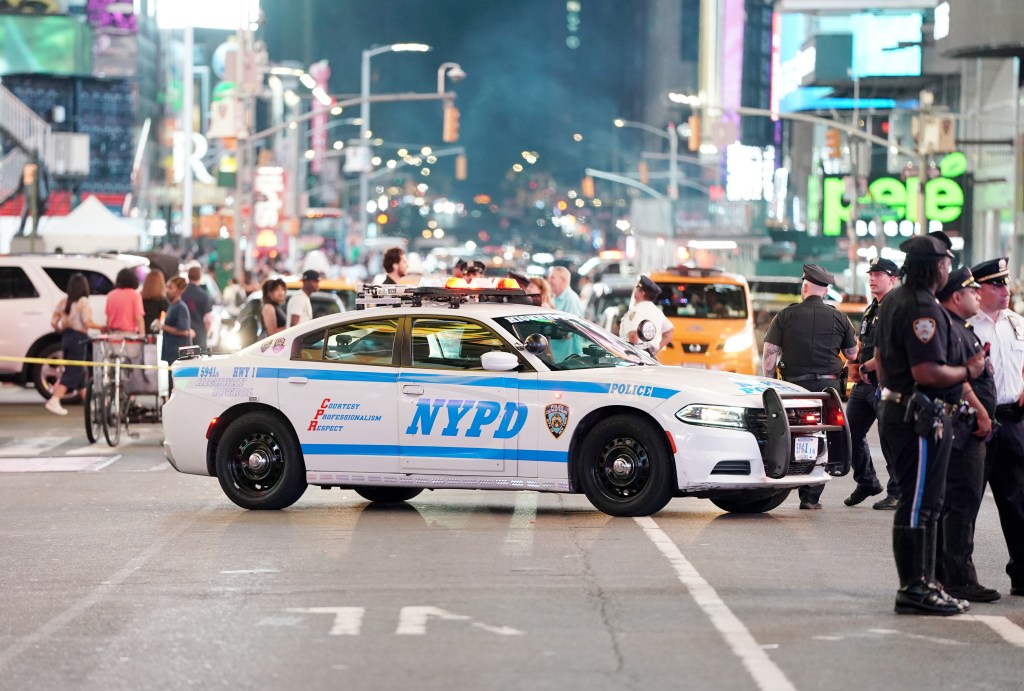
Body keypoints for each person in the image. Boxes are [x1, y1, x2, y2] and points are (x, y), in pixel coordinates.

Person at [876, 235, 984, 615]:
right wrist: (968, 369)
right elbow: (927, 370)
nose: (947, 270)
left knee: (924, 502)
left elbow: (880, 358)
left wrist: (896, 390)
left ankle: (925, 582)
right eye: (944, 264)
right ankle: (914, 588)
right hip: (917, 416)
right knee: (920, 503)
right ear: (933, 267)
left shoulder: (894, 301)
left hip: (903, 409)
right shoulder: (922, 307)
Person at [762, 264, 858, 510]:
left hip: (794, 386)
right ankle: (811, 496)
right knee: (822, 432)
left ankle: (782, 478)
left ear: (804, 287)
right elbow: (852, 352)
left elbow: (769, 354)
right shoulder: (840, 317)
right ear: (825, 292)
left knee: (791, 431)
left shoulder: (785, 315)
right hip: (828, 390)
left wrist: (770, 379)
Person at [935, 266, 999, 603]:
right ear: (957, 297)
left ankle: (947, 575)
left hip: (966, 428)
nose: (977, 296)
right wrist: (982, 411)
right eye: (972, 291)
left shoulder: (959, 328)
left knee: (959, 503)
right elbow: (956, 380)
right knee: (960, 504)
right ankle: (958, 577)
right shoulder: (951, 330)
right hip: (963, 428)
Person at [967, 257, 1024, 598]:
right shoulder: (967, 326)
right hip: (978, 421)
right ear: (979, 289)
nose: (1005, 291)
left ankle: (1022, 573)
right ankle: (960, 574)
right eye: (996, 284)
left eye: (1005, 284)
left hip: (1014, 420)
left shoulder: (1017, 323)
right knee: (967, 499)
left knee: (1017, 500)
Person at [844, 257, 901, 509]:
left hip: (886, 384)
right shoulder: (872, 308)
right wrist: (852, 365)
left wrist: (867, 367)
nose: (872, 278)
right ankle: (867, 481)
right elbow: (862, 342)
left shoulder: (895, 307)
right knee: (849, 433)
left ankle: (898, 492)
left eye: (879, 274)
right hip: (865, 385)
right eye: (871, 273)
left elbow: (891, 348)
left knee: (890, 439)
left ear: (893, 279)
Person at [46, 273, 102, 415]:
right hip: (79, 338)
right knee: (74, 369)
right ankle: (55, 399)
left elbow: (54, 322)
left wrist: (61, 328)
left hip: (66, 337)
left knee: (80, 370)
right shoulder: (83, 301)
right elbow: (87, 322)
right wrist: (103, 327)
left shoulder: (64, 301)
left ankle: (89, 404)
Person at [619, 275, 673, 356]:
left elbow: (633, 336)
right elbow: (669, 331)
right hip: (649, 357)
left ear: (642, 293)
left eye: (636, 287)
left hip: (636, 356)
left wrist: (631, 356)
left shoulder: (636, 311)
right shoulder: (657, 311)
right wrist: (655, 351)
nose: (634, 290)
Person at [159, 276, 193, 391]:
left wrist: (163, 327)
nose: (167, 290)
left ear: (179, 290)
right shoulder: (172, 306)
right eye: (167, 287)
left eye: (171, 287)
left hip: (178, 355)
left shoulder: (180, 307)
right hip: (171, 354)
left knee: (177, 388)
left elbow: (184, 331)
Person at [547, 265, 585, 362]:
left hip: (567, 358)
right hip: (556, 355)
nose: (548, 280)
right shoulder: (554, 298)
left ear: (563, 280)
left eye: (552, 277)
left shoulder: (570, 299)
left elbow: (569, 331)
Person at [105, 267, 145, 335]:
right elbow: (138, 318)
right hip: (128, 336)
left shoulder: (110, 295)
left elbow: (108, 318)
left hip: (113, 334)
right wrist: (142, 336)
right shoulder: (135, 295)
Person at [181, 265, 212, 350]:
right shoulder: (204, 295)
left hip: (182, 335)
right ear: (200, 277)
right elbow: (208, 320)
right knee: (199, 361)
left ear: (188, 276)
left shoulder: (180, 293)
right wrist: (205, 334)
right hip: (199, 335)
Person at [141, 269, 169, 334]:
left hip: (140, 330)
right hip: (153, 332)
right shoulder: (161, 300)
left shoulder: (140, 298)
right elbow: (171, 314)